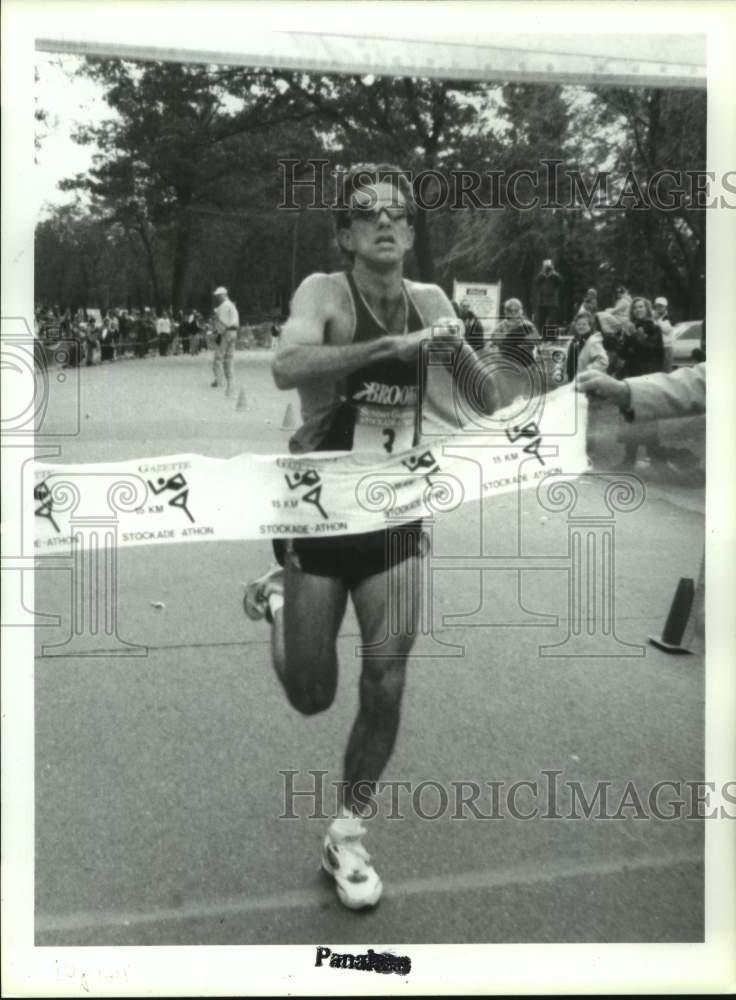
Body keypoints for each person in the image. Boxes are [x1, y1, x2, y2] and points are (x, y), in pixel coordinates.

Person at [243, 163, 498, 911]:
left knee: (386, 677)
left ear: (411, 234)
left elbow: (486, 401)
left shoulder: (431, 300)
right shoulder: (324, 293)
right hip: (319, 515)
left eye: (397, 213)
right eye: (367, 213)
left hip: (395, 511)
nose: (384, 222)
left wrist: (494, 361)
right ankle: (281, 604)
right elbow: (287, 366)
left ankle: (347, 834)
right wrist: (382, 351)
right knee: (312, 694)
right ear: (346, 234)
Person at [616, 297, 666, 467]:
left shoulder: (654, 329)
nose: (638, 310)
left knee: (649, 417)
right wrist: (626, 338)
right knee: (631, 415)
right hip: (631, 375)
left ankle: (654, 457)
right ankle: (629, 458)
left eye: (641, 307)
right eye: (635, 307)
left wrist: (635, 338)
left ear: (647, 309)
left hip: (648, 376)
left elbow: (649, 351)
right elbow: (622, 353)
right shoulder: (629, 327)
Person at [211, 286, 239, 393]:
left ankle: (219, 380)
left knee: (218, 357)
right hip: (234, 332)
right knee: (229, 357)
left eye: (218, 296)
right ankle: (230, 379)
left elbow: (222, 323)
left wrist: (216, 332)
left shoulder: (223, 306)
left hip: (225, 333)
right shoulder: (232, 305)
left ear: (223, 295)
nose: (217, 298)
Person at [533, 258, 562, 335]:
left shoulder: (555, 275)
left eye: (548, 266)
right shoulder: (541, 275)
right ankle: (539, 335)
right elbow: (536, 282)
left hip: (552, 302)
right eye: (545, 266)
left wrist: (553, 272)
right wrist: (543, 273)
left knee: (552, 321)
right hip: (542, 302)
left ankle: (551, 336)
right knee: (541, 321)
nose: (547, 268)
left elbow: (560, 281)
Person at [652, 296, 674, 372]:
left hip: (666, 346)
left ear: (665, 306)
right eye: (657, 306)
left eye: (661, 306)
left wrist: (657, 320)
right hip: (656, 346)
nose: (658, 308)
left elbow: (666, 330)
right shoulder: (654, 316)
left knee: (666, 370)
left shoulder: (669, 317)